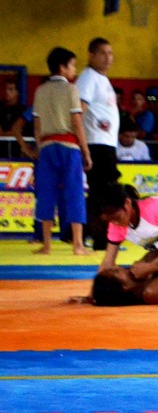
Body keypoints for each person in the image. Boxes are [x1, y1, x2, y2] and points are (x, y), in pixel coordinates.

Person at [30, 46, 92, 256]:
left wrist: (40, 147)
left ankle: (47, 245)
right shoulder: (71, 90)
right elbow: (76, 123)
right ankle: (77, 244)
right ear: (62, 67)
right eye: (72, 65)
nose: (74, 70)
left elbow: (36, 125)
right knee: (74, 193)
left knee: (45, 193)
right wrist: (86, 151)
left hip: (47, 147)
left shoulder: (40, 90)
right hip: (69, 147)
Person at [75, 37, 121, 251]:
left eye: (111, 53)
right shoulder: (88, 78)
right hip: (97, 144)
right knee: (104, 194)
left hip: (106, 144)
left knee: (100, 193)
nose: (108, 58)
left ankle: (81, 233)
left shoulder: (102, 79)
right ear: (91, 55)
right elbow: (78, 111)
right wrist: (84, 147)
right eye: (103, 53)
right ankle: (101, 239)